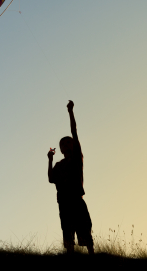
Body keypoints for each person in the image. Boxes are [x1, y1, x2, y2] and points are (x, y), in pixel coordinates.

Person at [48, 100, 94, 254]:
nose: (67, 145)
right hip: (63, 202)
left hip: (76, 199)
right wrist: (50, 160)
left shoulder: (76, 159)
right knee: (67, 229)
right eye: (63, 144)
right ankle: (70, 255)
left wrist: (70, 112)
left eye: (69, 143)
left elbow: (74, 131)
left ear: (74, 145)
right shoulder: (58, 165)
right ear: (60, 149)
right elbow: (51, 179)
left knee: (84, 226)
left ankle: (91, 253)